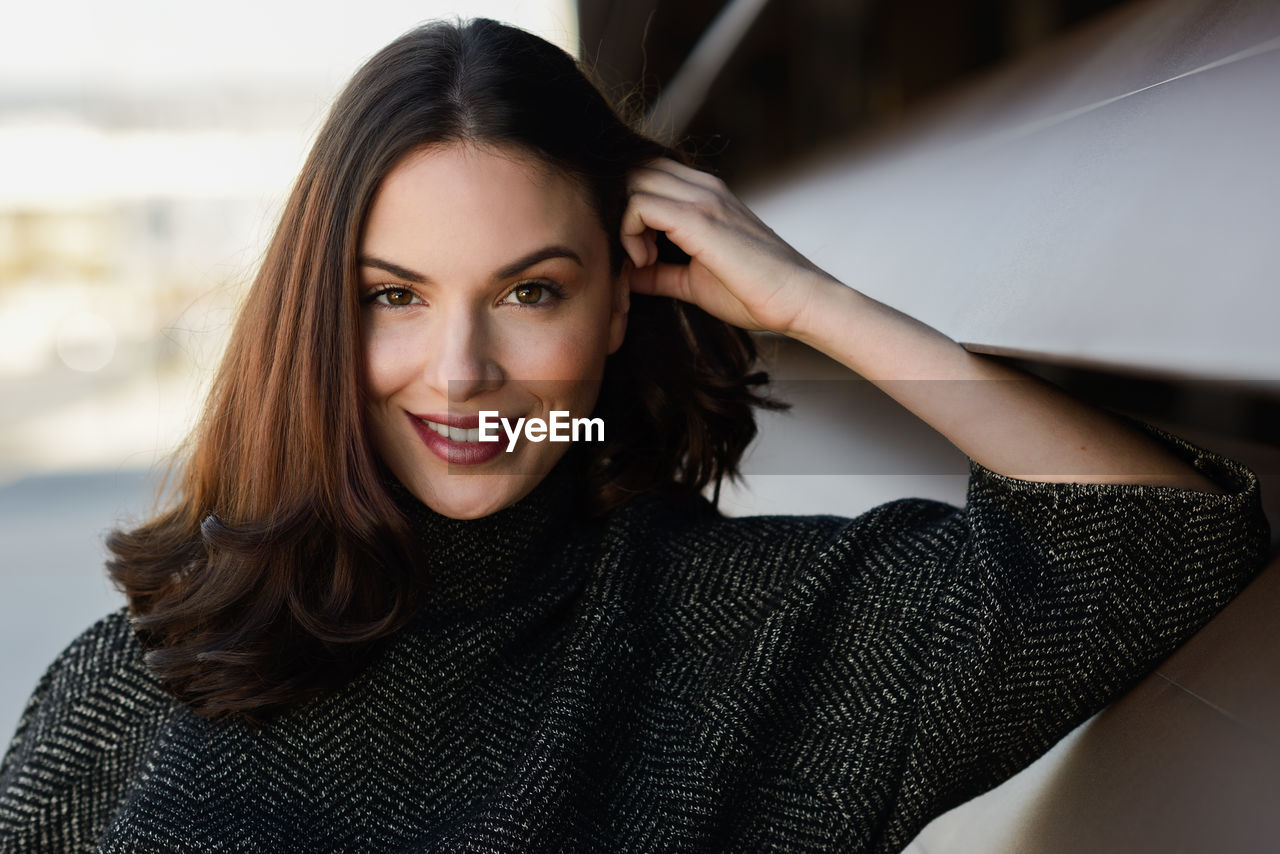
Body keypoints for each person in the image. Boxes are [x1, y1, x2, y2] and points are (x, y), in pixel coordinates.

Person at [0, 16, 1269, 854]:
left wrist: (807, 303)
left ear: (622, 298)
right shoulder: (146, 672)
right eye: (392, 296)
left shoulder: (740, 641)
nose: (460, 372)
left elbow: (1145, 546)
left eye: (529, 290)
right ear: (317, 320)